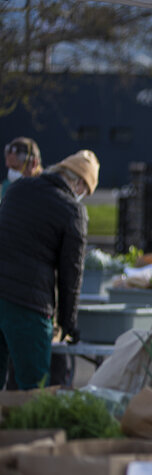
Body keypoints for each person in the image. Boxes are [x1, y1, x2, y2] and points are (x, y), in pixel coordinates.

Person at [0, 150, 99, 389]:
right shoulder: (72, 211)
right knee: (33, 388)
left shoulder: (18, 189)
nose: (82, 195)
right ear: (78, 183)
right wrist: (68, 323)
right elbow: (70, 275)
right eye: (85, 190)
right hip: (28, 306)